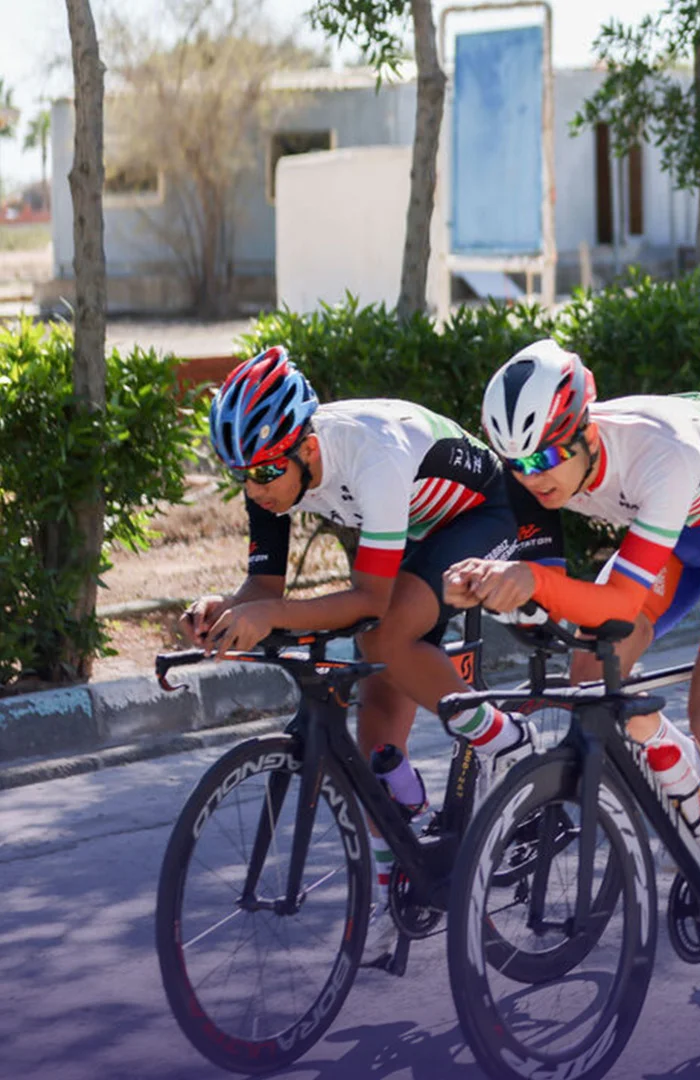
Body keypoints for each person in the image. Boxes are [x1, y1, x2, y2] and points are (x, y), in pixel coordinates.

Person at [444, 339, 700, 982]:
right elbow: (551, 603)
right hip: (674, 533)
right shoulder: (529, 470)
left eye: (547, 456)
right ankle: (686, 783)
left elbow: (613, 603)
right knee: (590, 674)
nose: (532, 475)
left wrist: (528, 581)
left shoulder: (658, 451)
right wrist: (488, 588)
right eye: (516, 463)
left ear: (585, 431)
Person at [184, 347, 541, 955]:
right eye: (241, 475)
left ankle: (507, 740)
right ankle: (394, 886)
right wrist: (223, 608)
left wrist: (272, 615)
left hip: (486, 516)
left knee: (381, 635)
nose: (254, 488)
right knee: (376, 735)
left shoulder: (371, 454)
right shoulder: (268, 467)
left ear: (308, 449)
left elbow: (370, 600)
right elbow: (263, 590)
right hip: (411, 530)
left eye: (265, 473)